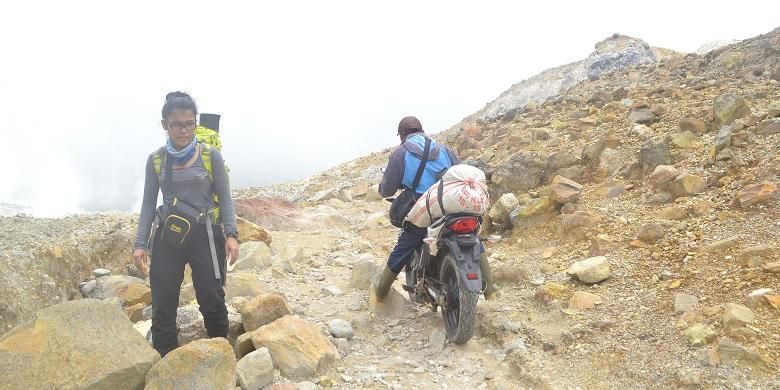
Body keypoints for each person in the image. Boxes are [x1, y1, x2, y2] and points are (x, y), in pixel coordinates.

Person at [132, 91, 239, 357]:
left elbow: (225, 199)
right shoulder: (156, 160)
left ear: (196, 122)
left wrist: (231, 234)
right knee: (163, 298)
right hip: (169, 236)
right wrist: (140, 243)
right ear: (164, 125)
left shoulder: (209, 156)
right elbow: (148, 204)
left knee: (212, 297)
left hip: (205, 234)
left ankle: (220, 354)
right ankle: (167, 359)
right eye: (176, 124)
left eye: (189, 123)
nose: (183, 130)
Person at [372, 116, 498, 302]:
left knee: (404, 245)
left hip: (424, 209)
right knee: (473, 239)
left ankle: (380, 292)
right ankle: (491, 292)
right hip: (451, 206)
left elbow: (388, 189)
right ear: (421, 130)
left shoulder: (401, 152)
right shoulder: (443, 149)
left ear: (403, 134)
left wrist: (383, 189)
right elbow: (459, 174)